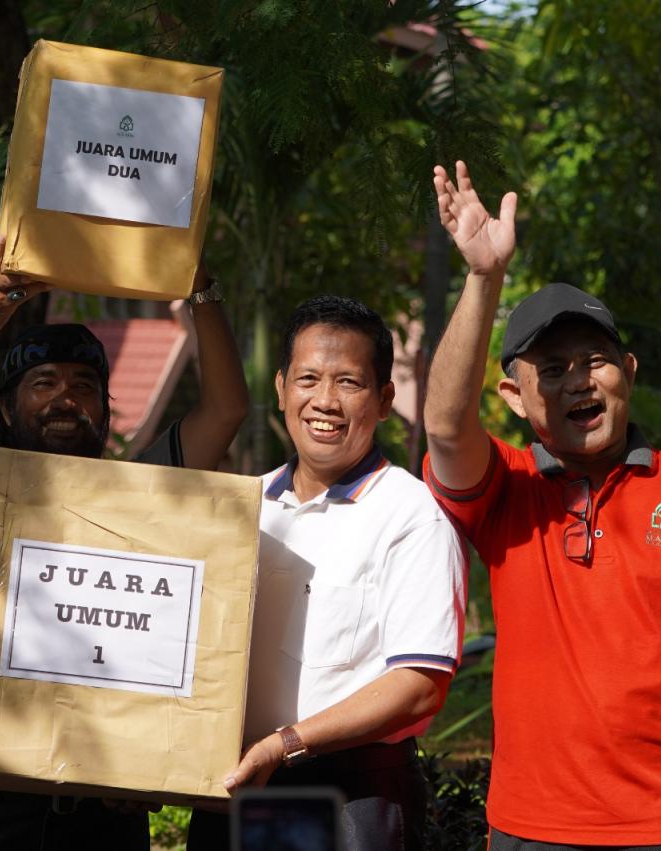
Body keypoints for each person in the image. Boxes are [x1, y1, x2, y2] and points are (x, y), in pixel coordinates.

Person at [423, 160, 661, 849]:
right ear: (515, 398)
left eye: (595, 360)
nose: (579, 379)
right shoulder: (506, 490)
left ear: (629, 372)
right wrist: (483, 277)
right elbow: (442, 426)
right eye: (552, 369)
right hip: (530, 830)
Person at [0, 236, 249, 851]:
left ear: (106, 409)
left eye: (84, 386)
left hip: (109, 804)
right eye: (43, 382)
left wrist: (200, 284)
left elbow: (227, 408)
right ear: (6, 408)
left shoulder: (144, 491)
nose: (65, 399)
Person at [185, 295, 467, 851]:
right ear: (282, 388)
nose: (325, 401)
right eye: (309, 378)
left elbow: (419, 685)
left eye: (349, 383)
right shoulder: (245, 508)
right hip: (236, 780)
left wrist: (285, 743)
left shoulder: (410, 514)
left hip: (350, 796)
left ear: (384, 399)